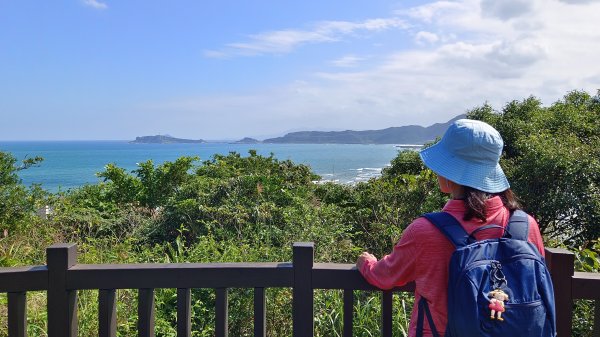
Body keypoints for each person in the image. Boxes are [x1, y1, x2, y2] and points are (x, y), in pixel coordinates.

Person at [356, 119, 546, 337]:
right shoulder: (525, 225)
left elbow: (386, 276)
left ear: (450, 172)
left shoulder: (425, 231)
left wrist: (366, 264)